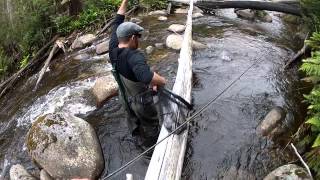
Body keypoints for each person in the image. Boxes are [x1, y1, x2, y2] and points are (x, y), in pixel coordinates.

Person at [109, 0, 167, 148]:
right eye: (138, 37)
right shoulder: (134, 56)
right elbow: (146, 77)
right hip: (141, 102)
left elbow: (118, 19)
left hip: (125, 98)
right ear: (133, 38)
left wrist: (125, 1)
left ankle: (138, 141)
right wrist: (162, 81)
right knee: (152, 126)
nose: (139, 40)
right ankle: (153, 149)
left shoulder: (113, 47)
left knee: (135, 124)